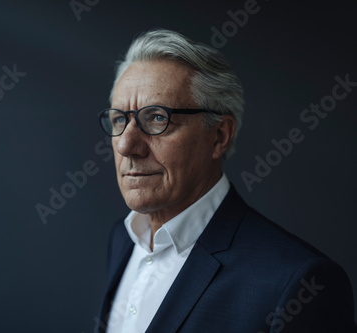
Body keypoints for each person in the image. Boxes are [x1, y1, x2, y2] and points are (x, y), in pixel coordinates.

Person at [96, 28, 357, 333]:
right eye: (119, 120)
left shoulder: (299, 284)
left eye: (156, 118)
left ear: (219, 136)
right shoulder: (122, 239)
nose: (127, 145)